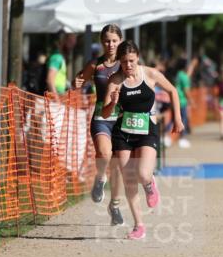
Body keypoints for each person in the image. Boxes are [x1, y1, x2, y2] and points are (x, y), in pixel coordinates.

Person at [102, 41, 184, 240]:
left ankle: (149, 184)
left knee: (143, 173)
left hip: (147, 129)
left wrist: (178, 119)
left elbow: (173, 91)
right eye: (123, 62)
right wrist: (113, 102)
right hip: (123, 133)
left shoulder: (151, 74)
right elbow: (104, 114)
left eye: (131, 61)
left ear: (137, 58)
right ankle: (139, 225)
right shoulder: (115, 80)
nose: (127, 65)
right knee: (129, 179)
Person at [74, 24, 126, 224]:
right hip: (101, 118)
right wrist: (76, 83)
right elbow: (79, 79)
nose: (110, 44)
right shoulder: (96, 65)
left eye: (114, 40)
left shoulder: (126, 65)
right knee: (105, 154)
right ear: (101, 42)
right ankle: (100, 177)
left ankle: (114, 206)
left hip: (122, 119)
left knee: (119, 164)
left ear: (119, 41)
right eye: (106, 40)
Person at [173, 57, 195, 148]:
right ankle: (182, 138)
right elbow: (186, 90)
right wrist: (191, 101)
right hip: (182, 101)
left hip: (176, 100)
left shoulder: (178, 74)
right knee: (183, 120)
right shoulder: (184, 77)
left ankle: (171, 137)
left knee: (175, 119)